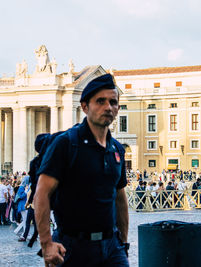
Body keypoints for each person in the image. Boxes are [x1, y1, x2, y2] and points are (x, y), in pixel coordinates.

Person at [34, 74, 129, 266]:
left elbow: (120, 198)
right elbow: (42, 194)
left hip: (111, 246)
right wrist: (46, 244)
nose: (108, 107)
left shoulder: (117, 149)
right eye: (100, 101)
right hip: (72, 245)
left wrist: (123, 243)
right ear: (85, 107)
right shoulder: (66, 144)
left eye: (113, 102)